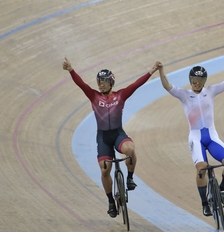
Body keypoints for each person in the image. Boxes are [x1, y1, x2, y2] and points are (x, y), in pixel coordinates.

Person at [63, 57, 161, 218]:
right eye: (99, 81)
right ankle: (110, 202)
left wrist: (151, 70)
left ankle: (130, 178)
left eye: (104, 81)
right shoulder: (94, 96)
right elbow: (81, 84)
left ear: (111, 82)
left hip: (117, 134)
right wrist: (71, 70)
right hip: (103, 138)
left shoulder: (120, 95)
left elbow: (136, 84)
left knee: (130, 149)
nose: (100, 84)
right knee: (105, 170)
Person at [158, 47, 224, 217]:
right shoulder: (184, 94)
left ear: (204, 81)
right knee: (202, 168)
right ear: (190, 80)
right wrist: (161, 70)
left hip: (212, 137)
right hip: (196, 138)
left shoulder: (211, 91)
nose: (196, 83)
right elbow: (167, 85)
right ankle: (205, 203)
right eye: (193, 79)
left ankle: (221, 189)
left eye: (199, 80)